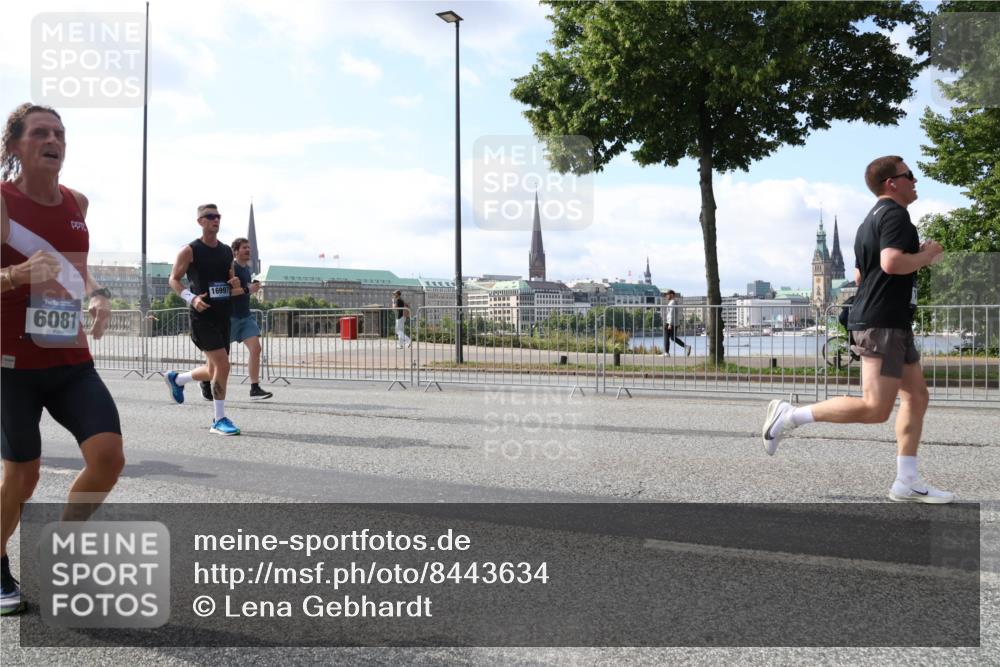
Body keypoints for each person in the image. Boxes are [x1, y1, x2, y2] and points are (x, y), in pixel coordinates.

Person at [762, 156, 951, 503]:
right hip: (882, 325)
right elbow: (891, 263)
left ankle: (906, 480)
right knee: (875, 407)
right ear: (891, 183)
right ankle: (789, 416)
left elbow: (863, 276)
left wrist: (919, 254)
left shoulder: (870, 222)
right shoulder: (895, 215)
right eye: (909, 175)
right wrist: (926, 256)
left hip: (892, 323)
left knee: (916, 395)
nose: (916, 180)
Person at [1, 103, 125, 616]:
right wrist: (14, 277)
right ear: (14, 146)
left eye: (60, 132)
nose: (53, 139)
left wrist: (98, 295)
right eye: (40, 132)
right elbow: (25, 271)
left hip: (69, 355)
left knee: (108, 458)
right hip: (10, 364)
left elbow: (76, 270)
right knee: (23, 475)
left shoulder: (78, 202)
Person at [165, 204, 241, 435]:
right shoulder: (189, 250)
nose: (215, 220)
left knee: (213, 369)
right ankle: (219, 419)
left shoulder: (227, 251)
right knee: (223, 365)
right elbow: (174, 279)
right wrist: (192, 298)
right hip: (202, 316)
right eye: (210, 217)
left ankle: (177, 379)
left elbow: (231, 279)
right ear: (200, 221)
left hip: (222, 315)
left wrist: (235, 284)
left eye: (218, 216)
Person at [199, 237, 272, 400]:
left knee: (256, 349)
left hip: (245, 316)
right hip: (229, 318)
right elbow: (224, 292)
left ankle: (254, 388)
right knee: (219, 356)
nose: (248, 250)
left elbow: (245, 289)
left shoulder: (247, 269)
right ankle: (205, 379)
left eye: (249, 248)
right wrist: (248, 289)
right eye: (244, 248)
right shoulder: (231, 268)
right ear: (235, 251)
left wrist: (251, 288)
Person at [661, 290, 691, 357]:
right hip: (675, 323)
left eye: (667, 294)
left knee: (666, 336)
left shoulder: (672, 303)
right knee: (673, 338)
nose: (666, 296)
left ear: (671, 295)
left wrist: (669, 324)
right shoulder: (674, 302)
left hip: (670, 322)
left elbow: (671, 314)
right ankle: (686, 346)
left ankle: (666, 353)